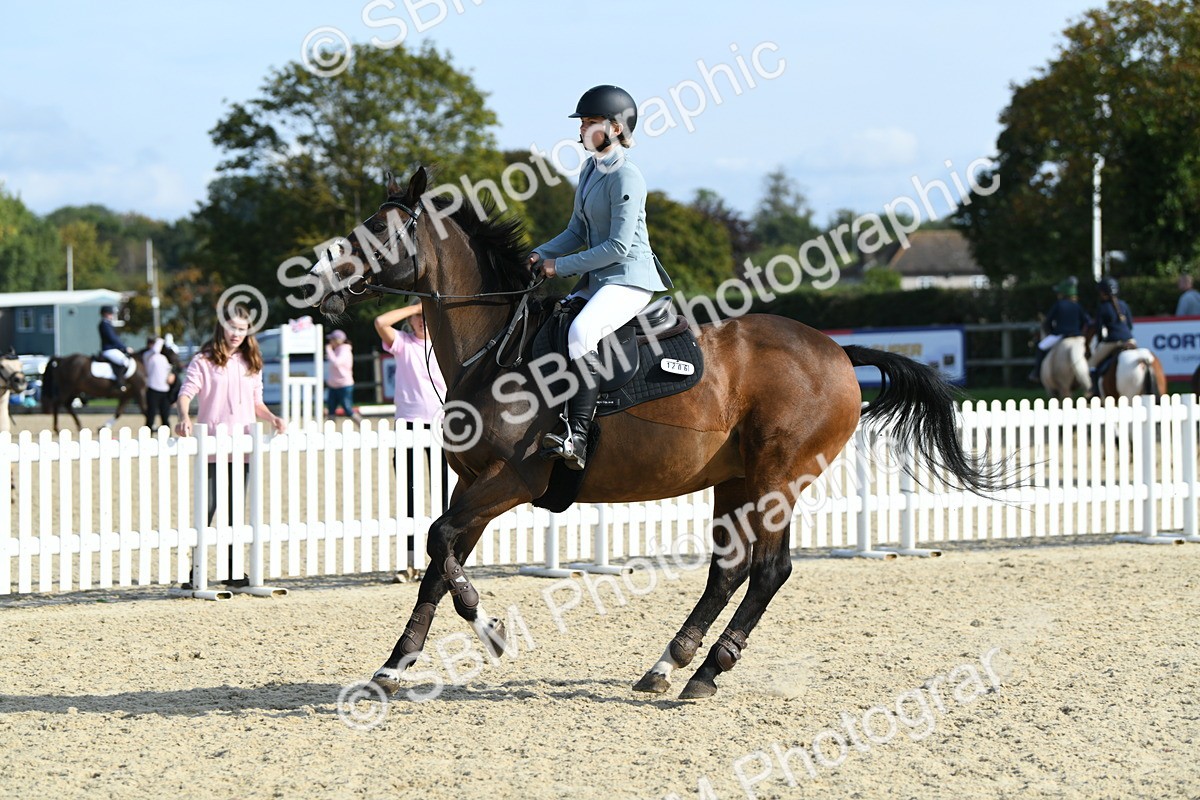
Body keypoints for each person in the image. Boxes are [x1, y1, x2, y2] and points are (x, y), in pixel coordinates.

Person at [528, 85, 673, 470]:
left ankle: (576, 435)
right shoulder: (591, 169)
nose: (582, 129)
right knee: (552, 323)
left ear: (615, 127)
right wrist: (540, 252)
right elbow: (576, 231)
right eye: (584, 122)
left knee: (581, 334)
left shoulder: (627, 176)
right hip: (598, 281)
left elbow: (618, 248)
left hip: (629, 279)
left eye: (591, 122)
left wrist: (558, 268)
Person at [175, 307, 286, 588]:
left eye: (242, 328)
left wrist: (272, 417)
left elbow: (256, 403)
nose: (237, 333)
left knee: (235, 511)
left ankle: (233, 570)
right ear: (222, 328)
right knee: (208, 508)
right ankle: (195, 571)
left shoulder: (252, 362)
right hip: (212, 446)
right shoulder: (203, 360)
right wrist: (184, 416)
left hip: (243, 448)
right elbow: (186, 393)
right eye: (232, 327)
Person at [375, 302, 448, 581]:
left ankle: (443, 560)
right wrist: (417, 306)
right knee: (410, 496)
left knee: (442, 495)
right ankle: (409, 561)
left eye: (426, 317)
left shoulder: (443, 345)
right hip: (407, 426)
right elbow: (381, 322)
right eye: (418, 317)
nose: (422, 321)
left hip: (441, 426)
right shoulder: (402, 343)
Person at [1028, 277, 1091, 382]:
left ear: (1063, 293)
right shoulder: (1077, 305)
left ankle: (1037, 373)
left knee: (1041, 347)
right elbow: (1086, 322)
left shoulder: (1058, 305)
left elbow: (1047, 322)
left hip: (1060, 335)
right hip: (1077, 336)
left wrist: (1052, 331)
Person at [1088, 277, 1135, 397]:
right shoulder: (1124, 305)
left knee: (1091, 364)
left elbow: (1099, 329)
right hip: (1130, 339)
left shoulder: (1103, 308)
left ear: (1102, 293)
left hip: (1113, 341)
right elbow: (1129, 325)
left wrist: (1099, 343)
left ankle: (1094, 391)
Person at [325, 329, 361, 422]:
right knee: (331, 410)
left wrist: (329, 350)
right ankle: (330, 431)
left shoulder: (345, 350)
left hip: (344, 385)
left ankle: (363, 426)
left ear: (338, 340)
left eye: (332, 339)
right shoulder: (337, 350)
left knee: (348, 409)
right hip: (333, 385)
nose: (330, 342)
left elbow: (336, 363)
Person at [142, 337, 175, 429]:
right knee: (150, 416)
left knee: (165, 417)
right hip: (153, 389)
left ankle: (167, 437)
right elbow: (155, 350)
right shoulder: (149, 356)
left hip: (165, 391)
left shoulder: (164, 358)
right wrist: (160, 340)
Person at [98, 305, 132, 392]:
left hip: (113, 349)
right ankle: (119, 382)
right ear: (105, 314)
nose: (112, 315)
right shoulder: (104, 324)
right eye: (110, 313)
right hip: (109, 349)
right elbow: (112, 338)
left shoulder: (108, 324)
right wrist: (125, 348)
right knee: (124, 361)